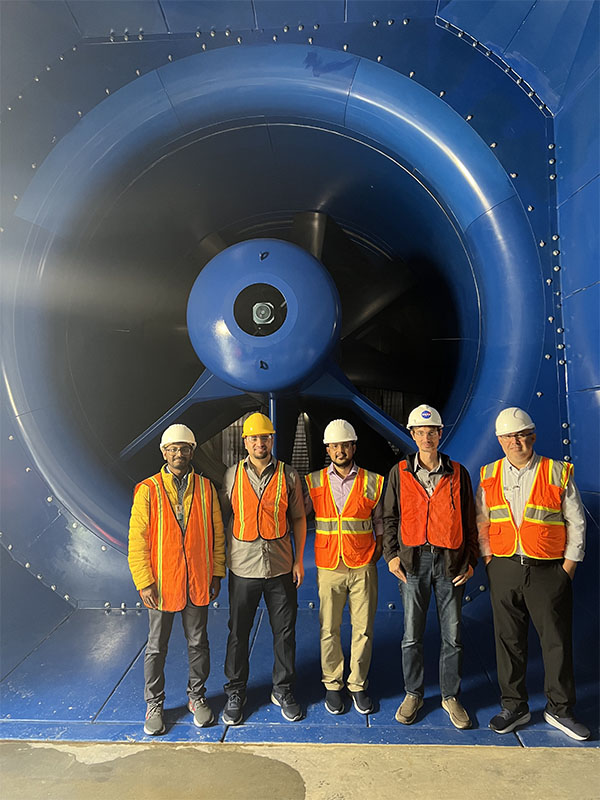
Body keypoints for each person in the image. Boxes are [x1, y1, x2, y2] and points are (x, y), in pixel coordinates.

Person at [476, 407, 589, 741]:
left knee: (556, 642)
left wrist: (566, 569)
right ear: (499, 441)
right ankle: (514, 706)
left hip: (548, 571)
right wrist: (489, 560)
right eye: (509, 437)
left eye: (522, 435)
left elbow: (576, 522)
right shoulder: (489, 474)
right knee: (508, 641)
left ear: (533, 436)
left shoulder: (556, 472)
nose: (516, 442)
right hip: (505, 568)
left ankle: (560, 709)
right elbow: (482, 520)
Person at [383, 404, 478, 729]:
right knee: (412, 635)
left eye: (432, 431)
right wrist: (392, 555)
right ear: (412, 435)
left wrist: (471, 560)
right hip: (413, 562)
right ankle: (414, 693)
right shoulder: (399, 473)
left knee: (452, 636)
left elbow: (470, 521)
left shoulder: (458, 473)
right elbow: (389, 517)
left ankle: (450, 697)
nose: (426, 437)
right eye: (420, 432)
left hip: (450, 562)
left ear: (440, 434)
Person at [128, 424, 225, 735]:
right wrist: (144, 581)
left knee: (199, 643)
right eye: (173, 449)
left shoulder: (207, 489)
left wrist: (217, 572)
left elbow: (217, 537)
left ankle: (196, 697)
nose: (179, 454)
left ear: (193, 451)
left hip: (197, 580)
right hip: (162, 585)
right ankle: (154, 703)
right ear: (163, 452)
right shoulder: (148, 490)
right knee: (156, 646)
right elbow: (137, 541)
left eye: (184, 448)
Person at [219, 412, 306, 725]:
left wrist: (298, 560)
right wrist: (223, 560)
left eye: (265, 437)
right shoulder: (231, 476)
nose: (260, 442)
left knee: (284, 633)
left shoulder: (289, 475)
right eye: (254, 437)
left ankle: (282, 689)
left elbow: (298, 518)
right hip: (243, 568)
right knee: (238, 633)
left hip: (280, 568)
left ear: (272, 440)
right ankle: (236, 691)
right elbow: (223, 517)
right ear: (245, 442)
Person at [305, 420, 384, 715]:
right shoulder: (312, 482)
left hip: (363, 563)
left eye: (345, 445)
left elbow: (381, 523)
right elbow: (299, 517)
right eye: (334, 446)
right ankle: (333, 685)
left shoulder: (374, 481)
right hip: (328, 565)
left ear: (353, 447)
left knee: (363, 629)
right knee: (329, 628)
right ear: (328, 449)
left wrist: (375, 553)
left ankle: (358, 685)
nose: (340, 450)